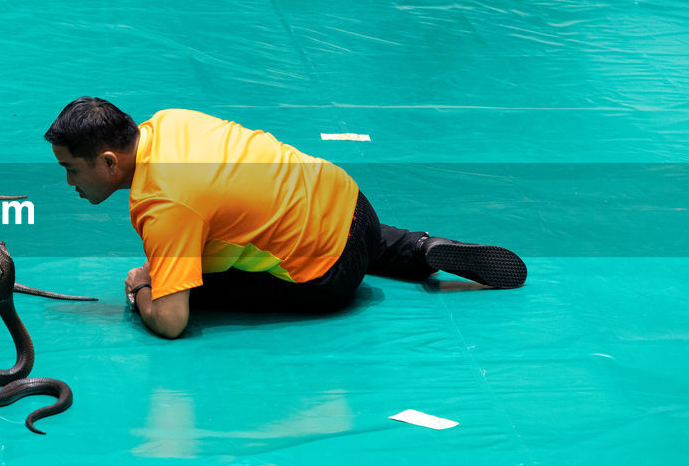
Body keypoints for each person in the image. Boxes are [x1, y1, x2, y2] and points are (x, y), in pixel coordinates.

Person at [45, 97, 526, 339]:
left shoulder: (163, 204)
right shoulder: (170, 121)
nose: (68, 183)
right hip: (349, 201)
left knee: (182, 287)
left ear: (109, 161)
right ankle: (420, 248)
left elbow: (172, 323)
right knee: (309, 222)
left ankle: (364, 261)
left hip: (328, 277)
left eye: (71, 169)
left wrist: (142, 289)